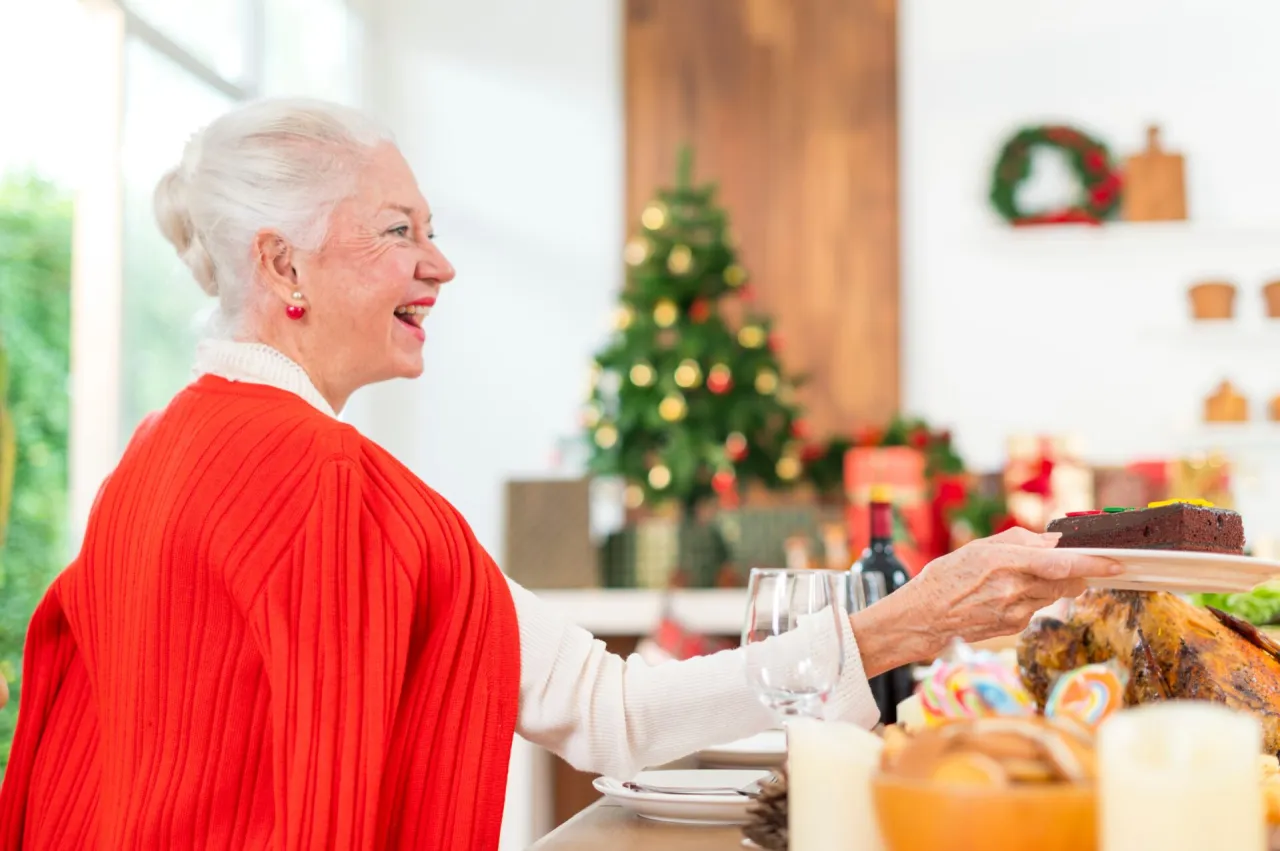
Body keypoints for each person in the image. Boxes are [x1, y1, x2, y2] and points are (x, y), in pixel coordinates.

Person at [0, 98, 1122, 851]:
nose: (438, 263)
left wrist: (902, 625)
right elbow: (607, 714)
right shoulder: (325, 483)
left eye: (431, 229)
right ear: (281, 262)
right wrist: (900, 624)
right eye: (398, 231)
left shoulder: (160, 450)